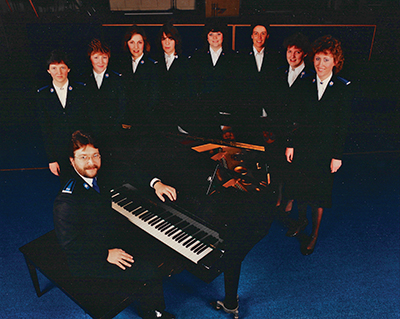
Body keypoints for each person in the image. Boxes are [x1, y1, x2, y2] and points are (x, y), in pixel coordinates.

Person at [53, 130, 177, 319]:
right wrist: (106, 254)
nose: (91, 162)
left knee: (153, 247)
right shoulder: (66, 201)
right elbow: (70, 245)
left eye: (95, 155)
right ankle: (154, 313)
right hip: (88, 260)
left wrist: (156, 183)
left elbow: (127, 170)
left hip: (103, 235)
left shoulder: (98, 175)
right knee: (150, 271)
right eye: (83, 157)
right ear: (72, 160)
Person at [285, 35, 352, 255]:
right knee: (301, 188)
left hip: (325, 152)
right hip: (304, 147)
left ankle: (314, 234)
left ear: (335, 62)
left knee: (319, 194)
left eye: (325, 59)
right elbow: (294, 118)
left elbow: (342, 126)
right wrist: (290, 144)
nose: (320, 64)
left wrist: (337, 156)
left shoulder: (342, 88)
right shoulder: (305, 82)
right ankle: (301, 221)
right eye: (317, 59)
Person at [36, 49, 87, 183]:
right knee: (67, 185)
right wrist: (52, 159)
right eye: (54, 68)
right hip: (60, 151)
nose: (58, 72)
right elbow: (45, 129)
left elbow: (89, 121)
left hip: (82, 148)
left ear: (68, 69)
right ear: (48, 70)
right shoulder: (43, 95)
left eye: (62, 67)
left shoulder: (81, 90)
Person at [188, 21, 237, 138]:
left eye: (218, 34)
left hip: (224, 114)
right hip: (202, 113)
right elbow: (193, 86)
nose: (215, 38)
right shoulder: (197, 57)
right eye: (211, 34)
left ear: (223, 36)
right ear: (206, 37)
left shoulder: (233, 57)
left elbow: (234, 89)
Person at [119, 25, 159, 136]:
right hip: (127, 123)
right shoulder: (122, 65)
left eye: (139, 42)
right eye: (132, 42)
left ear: (144, 43)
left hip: (147, 123)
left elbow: (153, 98)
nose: (136, 46)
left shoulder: (152, 66)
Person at [83, 39, 125, 146]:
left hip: (112, 134)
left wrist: (113, 131)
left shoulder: (117, 79)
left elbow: (122, 108)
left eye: (104, 57)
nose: (100, 62)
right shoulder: (83, 79)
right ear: (90, 58)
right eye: (96, 57)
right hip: (89, 135)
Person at [153, 23, 191, 135]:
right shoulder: (155, 62)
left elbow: (189, 92)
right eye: (164, 39)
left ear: (176, 41)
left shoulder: (186, 62)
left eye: (170, 38)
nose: (167, 43)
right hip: (160, 120)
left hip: (180, 119)